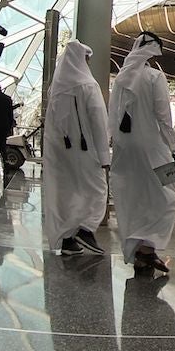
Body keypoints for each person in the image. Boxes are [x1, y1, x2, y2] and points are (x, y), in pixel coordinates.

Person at [110, 34, 175, 273]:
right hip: (154, 149)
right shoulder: (154, 76)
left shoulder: (121, 79)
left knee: (135, 200)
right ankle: (147, 250)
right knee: (167, 197)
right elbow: (164, 118)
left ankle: (140, 251)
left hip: (125, 152)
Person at [43, 39, 110, 256]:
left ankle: (67, 239)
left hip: (61, 151)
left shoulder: (56, 89)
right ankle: (87, 228)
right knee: (98, 189)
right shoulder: (89, 86)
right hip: (87, 151)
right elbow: (99, 122)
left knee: (68, 193)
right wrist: (104, 157)